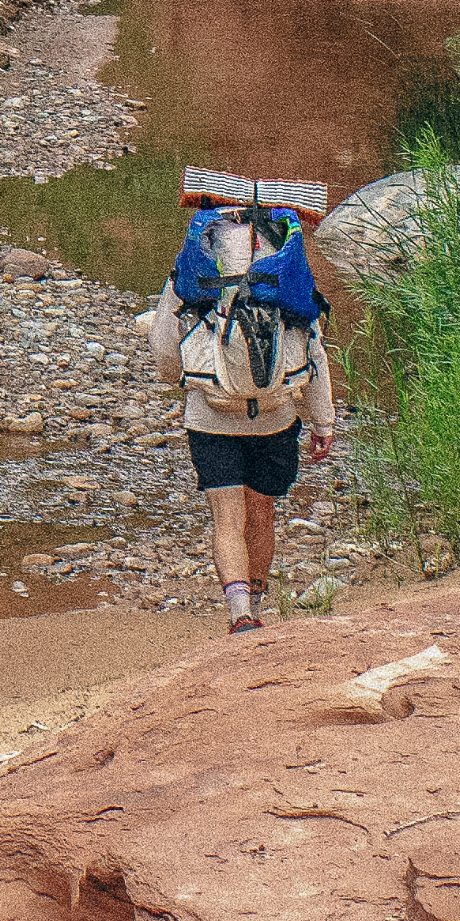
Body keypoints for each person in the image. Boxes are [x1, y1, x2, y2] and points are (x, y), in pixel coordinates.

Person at [149, 200, 333, 632]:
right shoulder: (286, 271)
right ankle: (258, 601)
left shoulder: (194, 270)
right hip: (275, 416)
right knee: (261, 511)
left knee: (227, 517)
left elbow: (163, 343)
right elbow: (313, 348)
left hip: (210, 417)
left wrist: (182, 377)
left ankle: (240, 616)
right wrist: (321, 420)